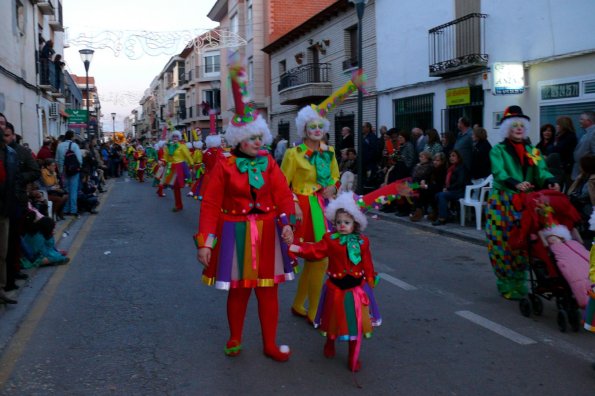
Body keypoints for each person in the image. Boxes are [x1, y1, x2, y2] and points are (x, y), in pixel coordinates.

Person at [196, 62, 295, 362]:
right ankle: (235, 338)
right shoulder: (224, 166)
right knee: (238, 291)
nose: (257, 142)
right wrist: (206, 243)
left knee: (268, 291)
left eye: (259, 137)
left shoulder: (270, 163)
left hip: (267, 232)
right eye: (252, 138)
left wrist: (288, 222)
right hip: (233, 231)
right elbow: (211, 204)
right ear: (239, 139)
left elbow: (282, 195)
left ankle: (270, 344)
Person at [282, 72, 364, 324]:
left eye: (320, 126)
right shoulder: (293, 154)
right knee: (317, 259)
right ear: (304, 129)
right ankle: (313, 311)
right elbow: (282, 185)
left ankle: (302, 306)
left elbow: (337, 176)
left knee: (319, 260)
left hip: (325, 208)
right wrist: (293, 204)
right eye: (312, 126)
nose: (317, 130)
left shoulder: (329, 153)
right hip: (303, 210)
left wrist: (333, 187)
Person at [289, 192, 380, 372]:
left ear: (355, 223)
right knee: (332, 319)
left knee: (355, 324)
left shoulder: (363, 242)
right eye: (338, 222)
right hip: (336, 288)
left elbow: (367, 262)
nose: (342, 226)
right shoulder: (330, 240)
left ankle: (353, 356)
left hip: (356, 290)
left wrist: (370, 277)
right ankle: (329, 342)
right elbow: (314, 251)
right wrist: (295, 247)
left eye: (346, 222)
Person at [485, 105, 559, 300]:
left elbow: (540, 170)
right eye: (514, 125)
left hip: (526, 201)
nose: (519, 128)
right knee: (502, 242)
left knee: (525, 242)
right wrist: (515, 183)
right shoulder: (498, 150)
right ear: (507, 129)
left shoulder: (531, 150)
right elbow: (499, 172)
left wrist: (550, 179)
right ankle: (506, 283)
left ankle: (521, 281)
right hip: (502, 202)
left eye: (521, 125)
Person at [0, 121, 18, 304]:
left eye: (3, 125)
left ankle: (2, 288)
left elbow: (14, 180)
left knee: (2, 252)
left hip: (4, 209)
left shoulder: (11, 154)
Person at [432, 150, 468, 226]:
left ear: (458, 157)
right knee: (437, 195)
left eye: (453, 156)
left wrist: (448, 188)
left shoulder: (461, 167)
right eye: (450, 156)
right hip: (453, 190)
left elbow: (460, 182)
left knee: (441, 195)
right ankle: (447, 214)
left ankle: (442, 218)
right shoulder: (451, 168)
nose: (451, 158)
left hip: (460, 191)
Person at [161, 131, 193, 212]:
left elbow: (188, 156)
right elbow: (166, 157)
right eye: (174, 137)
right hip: (171, 167)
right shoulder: (169, 146)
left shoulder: (182, 146)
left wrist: (192, 164)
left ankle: (180, 204)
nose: (175, 138)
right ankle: (178, 205)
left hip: (180, 168)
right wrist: (164, 161)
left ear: (179, 138)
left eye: (177, 137)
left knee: (179, 186)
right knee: (175, 187)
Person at [56, 130, 82, 216]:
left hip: (63, 170)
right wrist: (79, 167)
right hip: (74, 170)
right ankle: (73, 210)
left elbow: (57, 159)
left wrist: (60, 170)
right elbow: (79, 159)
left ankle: (65, 209)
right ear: (72, 137)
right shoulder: (74, 146)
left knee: (66, 190)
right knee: (73, 190)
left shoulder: (59, 146)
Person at [552, 115, 578, 188]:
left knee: (566, 186)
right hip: (560, 166)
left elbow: (562, 150)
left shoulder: (569, 137)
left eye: (558, 124)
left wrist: (556, 144)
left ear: (562, 125)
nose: (556, 126)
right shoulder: (559, 136)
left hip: (566, 167)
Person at [572, 111, 595, 180]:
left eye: (581, 119)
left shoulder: (593, 133)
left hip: (587, 174)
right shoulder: (587, 133)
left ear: (589, 121)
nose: (579, 121)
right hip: (581, 172)